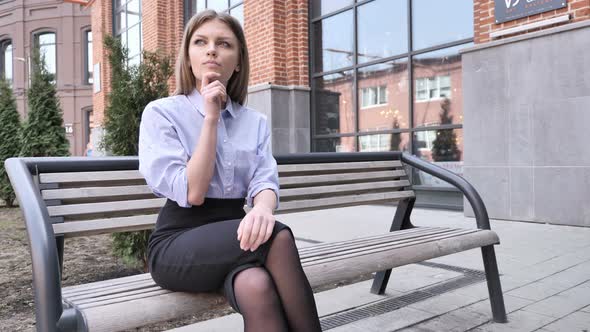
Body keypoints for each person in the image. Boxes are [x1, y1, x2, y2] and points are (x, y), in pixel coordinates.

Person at [138, 9, 322, 332]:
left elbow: (264, 179)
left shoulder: (255, 123)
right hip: (178, 242)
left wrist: (263, 209)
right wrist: (211, 118)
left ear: (237, 61)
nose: (211, 49)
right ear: (189, 56)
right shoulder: (162, 114)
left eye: (224, 43)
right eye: (201, 42)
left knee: (257, 286)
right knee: (278, 238)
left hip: (236, 235)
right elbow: (192, 192)